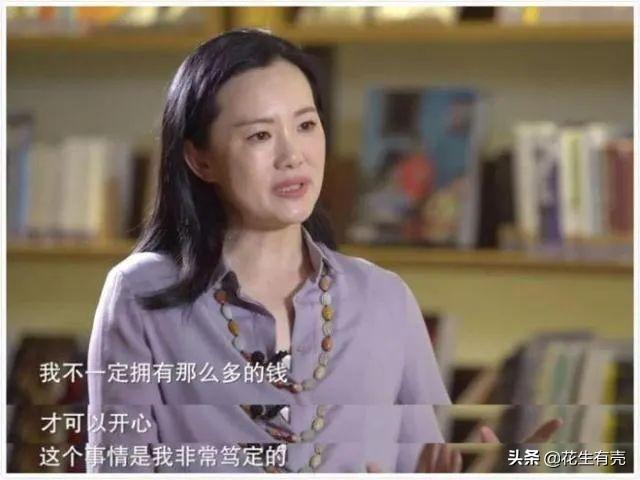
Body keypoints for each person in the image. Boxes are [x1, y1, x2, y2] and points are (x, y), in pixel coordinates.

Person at [87, 28, 561, 474]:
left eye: (306, 125)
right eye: (260, 135)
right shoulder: (140, 294)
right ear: (200, 158)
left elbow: (425, 464)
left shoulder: (384, 298)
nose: (293, 155)